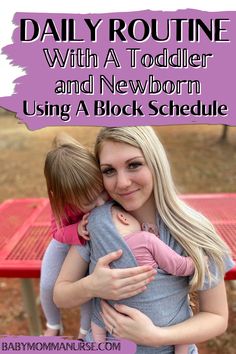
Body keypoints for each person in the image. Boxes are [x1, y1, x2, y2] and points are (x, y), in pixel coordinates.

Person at [54, 127, 234, 353]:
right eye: (109, 171)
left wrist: (156, 336)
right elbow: (61, 295)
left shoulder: (193, 229)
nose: (122, 183)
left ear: (155, 162)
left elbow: (216, 316)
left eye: (134, 165)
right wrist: (91, 285)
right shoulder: (99, 224)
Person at [91, 204, 196, 354]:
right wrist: (194, 263)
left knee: (98, 312)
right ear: (123, 218)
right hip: (162, 316)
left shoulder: (102, 253)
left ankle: (99, 346)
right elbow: (177, 266)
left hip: (117, 319)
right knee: (183, 316)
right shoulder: (145, 239)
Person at [40, 133, 108, 337]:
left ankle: (85, 330)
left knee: (88, 287)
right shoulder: (61, 204)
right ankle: (53, 324)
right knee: (47, 284)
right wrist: (76, 229)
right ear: (63, 197)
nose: (100, 203)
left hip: (92, 244)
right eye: (89, 202)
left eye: (101, 192)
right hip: (66, 242)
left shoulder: (95, 192)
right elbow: (56, 231)